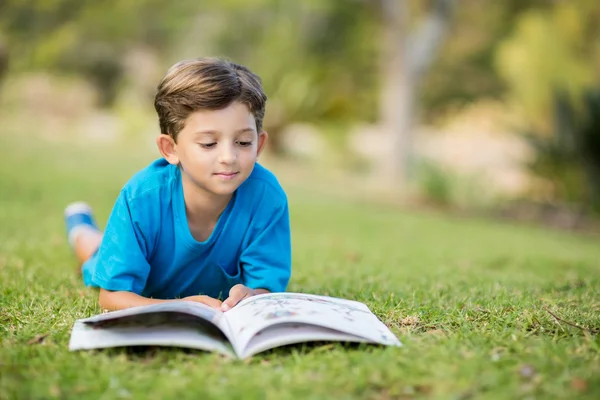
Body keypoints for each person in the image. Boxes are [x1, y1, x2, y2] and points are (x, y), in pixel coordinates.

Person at [64, 57, 291, 312]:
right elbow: (112, 297)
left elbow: (267, 289)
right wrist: (180, 306)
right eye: (208, 144)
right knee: (94, 251)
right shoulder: (141, 197)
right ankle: (79, 223)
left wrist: (252, 293)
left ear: (259, 144)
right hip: (140, 276)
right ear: (170, 149)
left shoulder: (267, 197)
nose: (229, 157)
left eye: (243, 142)